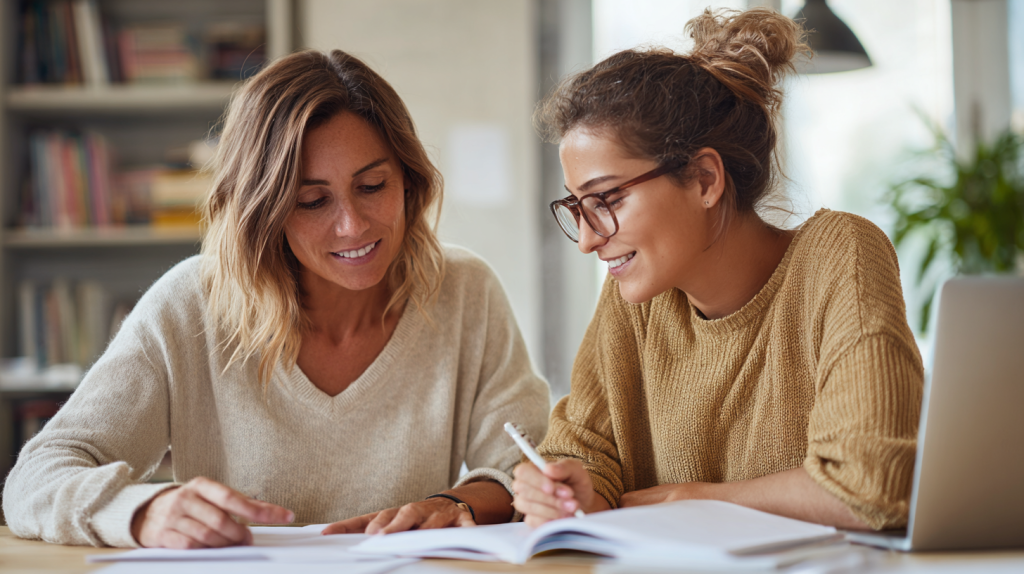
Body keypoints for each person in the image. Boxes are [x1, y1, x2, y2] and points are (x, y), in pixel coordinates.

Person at [3, 49, 549, 548]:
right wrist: (142, 510)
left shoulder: (464, 290)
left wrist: (455, 504)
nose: (352, 225)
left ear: (409, 182)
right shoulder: (190, 304)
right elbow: (36, 478)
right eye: (312, 200)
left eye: (372, 186)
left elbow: (528, 464)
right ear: (265, 212)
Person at [511, 8, 923, 531]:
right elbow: (586, 459)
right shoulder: (637, 294)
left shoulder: (839, 255)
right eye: (578, 207)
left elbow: (870, 488)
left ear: (705, 179)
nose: (589, 240)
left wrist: (690, 498)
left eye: (607, 199)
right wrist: (571, 492)